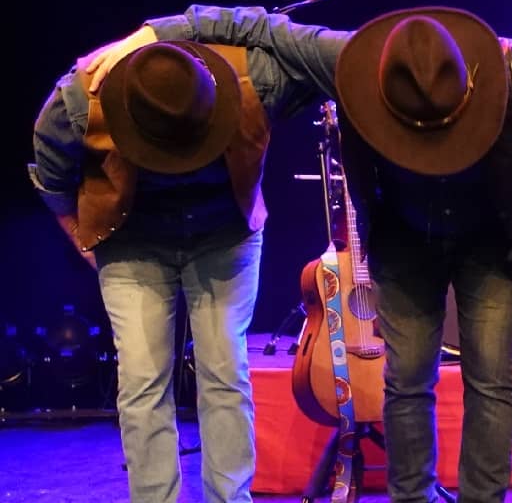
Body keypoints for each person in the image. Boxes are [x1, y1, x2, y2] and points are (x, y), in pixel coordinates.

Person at [86, 4, 512, 503]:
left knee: (491, 380)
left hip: (486, 239)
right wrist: (154, 32)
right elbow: (254, 25)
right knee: (406, 379)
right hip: (404, 240)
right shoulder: (348, 60)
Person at [31, 35, 342, 502]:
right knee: (142, 381)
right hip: (132, 236)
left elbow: (325, 60)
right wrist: (82, 238)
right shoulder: (80, 98)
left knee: (224, 374)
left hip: (224, 234)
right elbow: (51, 175)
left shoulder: (257, 78)